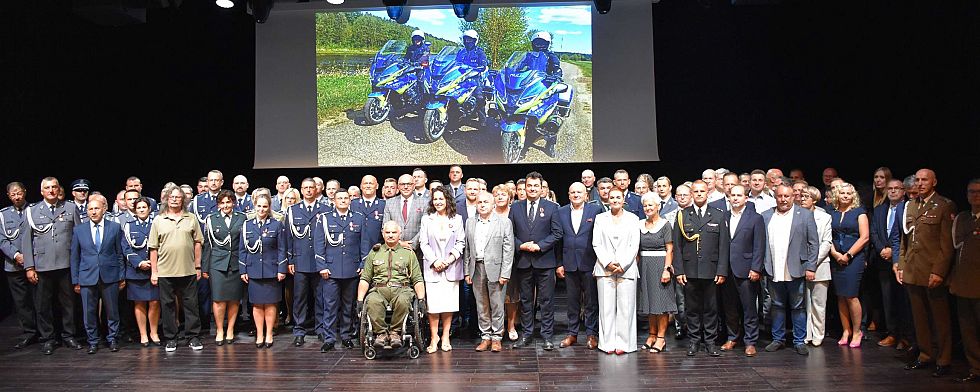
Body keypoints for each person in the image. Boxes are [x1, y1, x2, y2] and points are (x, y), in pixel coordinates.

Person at [899, 169, 955, 377]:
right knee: (919, 318)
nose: (920, 184)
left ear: (934, 182)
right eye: (918, 180)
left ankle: (944, 359)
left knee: (939, 318)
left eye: (925, 180)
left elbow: (946, 245)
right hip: (913, 270)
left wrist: (939, 271)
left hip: (932, 271)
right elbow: (906, 240)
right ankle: (925, 355)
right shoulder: (911, 205)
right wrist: (902, 265)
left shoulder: (943, 205)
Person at [21, 177, 83, 355]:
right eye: (47, 188)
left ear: (58, 189)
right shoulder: (32, 211)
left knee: (69, 303)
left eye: (54, 187)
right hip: (42, 266)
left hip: (66, 264)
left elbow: (78, 237)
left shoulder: (70, 208)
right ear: (42, 191)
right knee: (43, 305)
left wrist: (77, 265)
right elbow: (26, 242)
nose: (51, 190)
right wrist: (29, 267)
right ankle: (48, 338)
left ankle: (69, 335)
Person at [760, 185, 819, 355]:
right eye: (780, 196)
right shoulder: (766, 216)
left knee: (798, 306)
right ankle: (778, 339)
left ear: (793, 196)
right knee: (777, 305)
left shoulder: (805, 215)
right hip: (774, 268)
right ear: (775, 197)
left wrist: (811, 266)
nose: (783, 199)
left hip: (796, 268)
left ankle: (799, 341)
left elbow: (813, 243)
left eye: (787, 196)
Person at [673, 180, 729, 357]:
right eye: (695, 191)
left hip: (711, 270)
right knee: (692, 308)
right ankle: (694, 340)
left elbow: (723, 246)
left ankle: (710, 342)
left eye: (702, 191)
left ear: (707, 194)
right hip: (689, 270)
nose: (698, 194)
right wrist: (679, 270)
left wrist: (721, 271)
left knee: (711, 308)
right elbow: (677, 246)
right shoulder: (682, 215)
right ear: (691, 194)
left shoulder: (718, 215)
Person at [313, 189, 372, 352]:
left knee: (348, 306)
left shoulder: (359, 218)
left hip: (352, 269)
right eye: (340, 198)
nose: (343, 201)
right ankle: (329, 338)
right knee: (330, 306)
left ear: (350, 200)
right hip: (330, 270)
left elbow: (364, 244)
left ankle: (346, 336)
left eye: (346, 198)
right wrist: (322, 266)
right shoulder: (325, 219)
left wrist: (363, 264)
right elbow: (319, 244)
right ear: (334, 200)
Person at [149, 185, 205, 352]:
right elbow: (153, 248)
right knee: (167, 305)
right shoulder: (159, 220)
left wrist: (198, 266)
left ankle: (193, 336)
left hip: (188, 269)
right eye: (171, 197)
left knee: (191, 304)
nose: (174, 199)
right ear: (166, 199)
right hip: (165, 271)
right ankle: (171, 338)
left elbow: (197, 243)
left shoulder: (191, 218)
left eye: (177, 197)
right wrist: (154, 271)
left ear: (183, 200)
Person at [510, 172, 560, 350]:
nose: (532, 189)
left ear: (541, 188)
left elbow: (557, 233)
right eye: (529, 186)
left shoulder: (552, 207)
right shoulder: (515, 207)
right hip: (523, 261)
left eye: (535, 186)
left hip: (545, 261)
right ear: (525, 188)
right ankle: (527, 334)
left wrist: (539, 246)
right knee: (525, 301)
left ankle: (547, 336)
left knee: (546, 301)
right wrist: (521, 245)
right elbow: (510, 234)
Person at [70, 194, 125, 354]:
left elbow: (119, 253)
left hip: (110, 275)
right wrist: (76, 280)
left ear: (104, 209)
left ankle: (112, 338)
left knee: (112, 311)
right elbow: (75, 257)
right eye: (90, 209)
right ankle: (93, 341)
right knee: (89, 312)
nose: (93, 212)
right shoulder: (79, 230)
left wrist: (121, 276)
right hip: (87, 277)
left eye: (96, 208)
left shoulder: (114, 227)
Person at [357, 221, 426, 349]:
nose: (390, 235)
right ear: (382, 234)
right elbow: (365, 278)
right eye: (387, 232)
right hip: (379, 289)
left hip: (402, 288)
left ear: (400, 234)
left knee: (404, 301)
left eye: (394, 232)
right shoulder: (374, 252)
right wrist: (360, 300)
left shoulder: (408, 253)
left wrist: (421, 299)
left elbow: (417, 278)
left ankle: (395, 332)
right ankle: (381, 333)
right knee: (372, 301)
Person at [553, 182, 603, 350]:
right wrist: (559, 263)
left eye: (579, 192)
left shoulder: (595, 211)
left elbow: (600, 237)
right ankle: (572, 334)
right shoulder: (561, 212)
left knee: (591, 301)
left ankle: (591, 334)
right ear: (568, 195)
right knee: (572, 302)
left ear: (586, 195)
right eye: (573, 192)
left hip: (589, 262)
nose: (576, 195)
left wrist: (599, 262)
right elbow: (558, 240)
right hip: (568, 263)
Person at [592, 188, 640, 355]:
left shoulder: (633, 218)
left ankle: (625, 344)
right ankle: (607, 343)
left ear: (623, 199)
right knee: (606, 308)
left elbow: (634, 245)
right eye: (612, 197)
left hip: (626, 269)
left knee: (626, 308)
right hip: (605, 268)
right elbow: (596, 243)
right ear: (607, 199)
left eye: (618, 197)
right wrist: (608, 263)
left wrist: (622, 264)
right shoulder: (600, 218)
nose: (614, 200)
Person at [464, 191, 514, 352]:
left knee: (497, 304)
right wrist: (466, 271)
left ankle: (497, 337)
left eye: (486, 202)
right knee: (481, 305)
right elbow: (467, 249)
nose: (483, 205)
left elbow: (508, 249)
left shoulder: (504, 222)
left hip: (496, 269)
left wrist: (505, 273)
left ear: (493, 204)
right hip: (476, 268)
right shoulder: (470, 222)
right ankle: (485, 336)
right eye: (480, 202)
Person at [418, 186, 465, 353]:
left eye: (441, 199)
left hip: (451, 268)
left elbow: (461, 242)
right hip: (433, 268)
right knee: (434, 306)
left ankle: (445, 336)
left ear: (447, 201)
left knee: (448, 304)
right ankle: (434, 337)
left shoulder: (457, 219)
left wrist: (448, 260)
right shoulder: (427, 219)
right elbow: (423, 243)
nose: (438, 202)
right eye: (435, 199)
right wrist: (436, 261)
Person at [720, 185, 766, 356]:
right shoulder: (723, 216)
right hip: (727, 270)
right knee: (729, 307)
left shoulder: (755, 218)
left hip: (746, 270)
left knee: (749, 308)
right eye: (733, 195)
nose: (736, 198)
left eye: (739, 195)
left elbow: (759, 246)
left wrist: (756, 268)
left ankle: (750, 341)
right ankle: (732, 337)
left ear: (746, 198)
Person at [286, 178, 332, 347]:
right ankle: (299, 330)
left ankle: (320, 329)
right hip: (300, 261)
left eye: (311, 187)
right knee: (299, 299)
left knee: (321, 298)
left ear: (316, 189)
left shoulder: (326, 209)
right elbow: (288, 238)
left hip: (320, 262)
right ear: (301, 190)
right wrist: (290, 259)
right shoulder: (293, 210)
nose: (308, 190)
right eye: (305, 188)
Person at [239, 194, 287, 349]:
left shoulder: (276, 224)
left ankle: (269, 333)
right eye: (259, 206)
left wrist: (281, 269)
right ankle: (259, 334)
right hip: (253, 270)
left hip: (271, 270)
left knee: (271, 304)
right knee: (257, 305)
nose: (261, 209)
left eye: (265, 206)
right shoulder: (247, 225)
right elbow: (242, 250)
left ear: (269, 208)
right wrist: (243, 269)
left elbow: (282, 249)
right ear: (254, 206)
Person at [871, 178, 912, 349]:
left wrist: (894, 253)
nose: (893, 191)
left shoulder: (908, 208)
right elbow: (873, 232)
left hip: (903, 261)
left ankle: (906, 336)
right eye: (890, 188)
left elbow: (903, 236)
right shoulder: (880, 210)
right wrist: (882, 249)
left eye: (897, 188)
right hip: (883, 260)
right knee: (888, 300)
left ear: (904, 191)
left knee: (904, 300)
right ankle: (892, 333)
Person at [827, 182, 870, 348]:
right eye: (842, 193)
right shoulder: (832, 213)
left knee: (851, 295)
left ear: (853, 196)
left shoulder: (859, 212)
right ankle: (846, 330)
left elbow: (864, 237)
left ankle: (857, 330)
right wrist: (835, 254)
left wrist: (849, 255)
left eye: (848, 193)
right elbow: (827, 235)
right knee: (841, 295)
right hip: (836, 257)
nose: (845, 196)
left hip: (854, 258)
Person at [201, 190, 246, 346]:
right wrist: (204, 267)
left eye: (229, 202)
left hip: (236, 263)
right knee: (219, 299)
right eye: (222, 202)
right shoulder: (211, 219)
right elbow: (207, 244)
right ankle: (220, 329)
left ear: (233, 202)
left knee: (234, 299)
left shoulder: (242, 218)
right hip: (217, 264)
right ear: (218, 204)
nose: (226, 205)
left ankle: (230, 329)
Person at [636, 192, 676, 354]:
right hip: (644, 266)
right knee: (649, 304)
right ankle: (651, 335)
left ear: (658, 206)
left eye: (651, 205)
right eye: (645, 206)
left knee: (661, 304)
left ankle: (661, 338)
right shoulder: (639, 225)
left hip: (660, 265)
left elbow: (670, 249)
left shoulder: (665, 224)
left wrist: (667, 269)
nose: (648, 208)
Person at [1, 182, 39, 350]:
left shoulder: (35, 209)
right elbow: (2, 240)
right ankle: (29, 333)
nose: (17, 196)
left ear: (24, 192)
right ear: (9, 196)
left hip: (36, 264)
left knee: (39, 300)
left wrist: (30, 258)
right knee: (22, 302)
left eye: (19, 193)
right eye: (13, 194)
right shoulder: (3, 215)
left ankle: (46, 333)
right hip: (14, 265)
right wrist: (17, 255)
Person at [950, 179, 980, 383]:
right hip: (963, 281)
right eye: (971, 192)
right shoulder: (961, 217)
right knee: (967, 329)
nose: (975, 195)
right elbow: (957, 242)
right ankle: (975, 368)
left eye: (979, 192)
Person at [122, 197, 161, 347]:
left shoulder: (155, 224)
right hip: (136, 271)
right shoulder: (129, 226)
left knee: (155, 302)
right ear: (134, 210)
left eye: (144, 207)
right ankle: (143, 334)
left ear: (149, 209)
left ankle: (154, 332)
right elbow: (126, 248)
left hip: (154, 269)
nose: (142, 210)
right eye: (139, 208)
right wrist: (139, 262)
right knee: (139, 304)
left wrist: (153, 263)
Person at [800, 186, 833, 347]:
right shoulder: (797, 214)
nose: (802, 199)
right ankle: (807, 333)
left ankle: (818, 333)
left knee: (819, 303)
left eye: (806, 196)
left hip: (820, 265)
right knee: (804, 303)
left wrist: (812, 263)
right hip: (801, 265)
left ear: (814, 199)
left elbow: (826, 242)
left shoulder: (824, 217)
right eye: (801, 196)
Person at [382, 174, 427, 252]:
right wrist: (399, 243)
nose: (406, 187)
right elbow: (385, 226)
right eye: (402, 184)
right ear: (398, 187)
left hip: (417, 250)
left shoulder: (425, 202)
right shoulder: (389, 203)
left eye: (409, 184)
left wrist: (412, 244)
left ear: (414, 186)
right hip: (394, 249)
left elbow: (425, 227)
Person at [351, 175, 385, 248]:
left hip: (378, 247)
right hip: (356, 247)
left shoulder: (384, 204)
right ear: (361, 186)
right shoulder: (352, 204)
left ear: (377, 186)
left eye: (371, 183)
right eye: (365, 183)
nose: (368, 186)